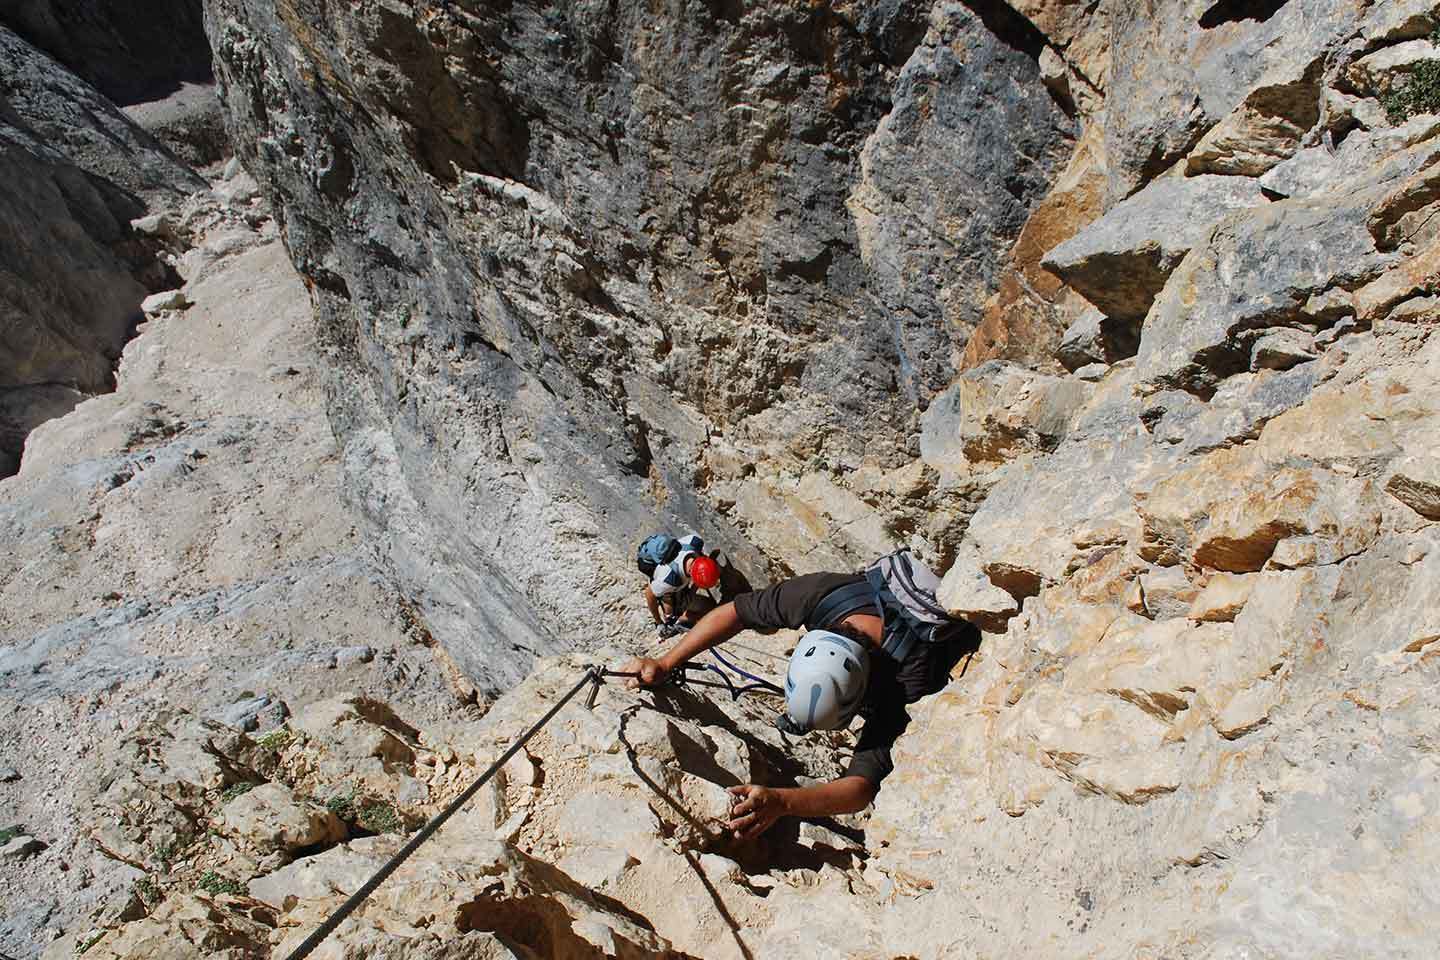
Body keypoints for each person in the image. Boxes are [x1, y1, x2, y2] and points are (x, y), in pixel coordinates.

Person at [621, 562, 978, 841]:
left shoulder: (908, 686)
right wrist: (667, 662)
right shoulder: (822, 596)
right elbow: (735, 612)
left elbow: (861, 787)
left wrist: (784, 802)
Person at [635, 532, 723, 637]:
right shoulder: (668, 581)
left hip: (674, 570)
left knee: (710, 606)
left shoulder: (695, 542)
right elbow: (649, 594)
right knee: (668, 598)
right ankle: (672, 619)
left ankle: (678, 610)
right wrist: (659, 623)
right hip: (653, 567)